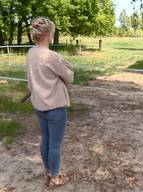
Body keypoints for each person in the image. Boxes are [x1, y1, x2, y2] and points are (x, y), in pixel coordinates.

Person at [26, 17, 74, 188]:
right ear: (47, 34)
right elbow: (69, 76)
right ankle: (54, 177)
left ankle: (48, 171)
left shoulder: (31, 53)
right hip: (55, 107)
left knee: (45, 139)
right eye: (53, 32)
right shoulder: (52, 56)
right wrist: (67, 67)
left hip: (38, 105)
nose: (53, 35)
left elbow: (31, 78)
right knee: (55, 144)